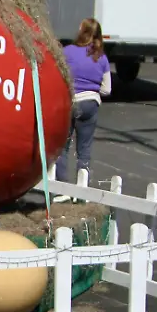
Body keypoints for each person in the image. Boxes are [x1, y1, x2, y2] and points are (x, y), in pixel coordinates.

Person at [55, 18, 110, 195]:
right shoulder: (101, 57)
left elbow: (57, 77)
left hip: (70, 103)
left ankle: (63, 190)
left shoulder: (67, 51)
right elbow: (107, 89)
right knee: (84, 150)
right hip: (90, 104)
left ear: (81, 31)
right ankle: (82, 191)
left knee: (63, 147)